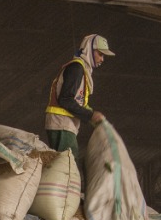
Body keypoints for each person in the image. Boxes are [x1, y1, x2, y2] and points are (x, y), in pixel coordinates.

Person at [44, 34, 114, 165]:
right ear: (89, 50)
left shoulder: (82, 70)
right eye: (100, 54)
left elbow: (79, 102)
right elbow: (65, 99)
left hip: (64, 123)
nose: (102, 59)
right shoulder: (76, 68)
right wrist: (91, 115)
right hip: (61, 122)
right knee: (69, 164)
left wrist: (95, 117)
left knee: (66, 164)